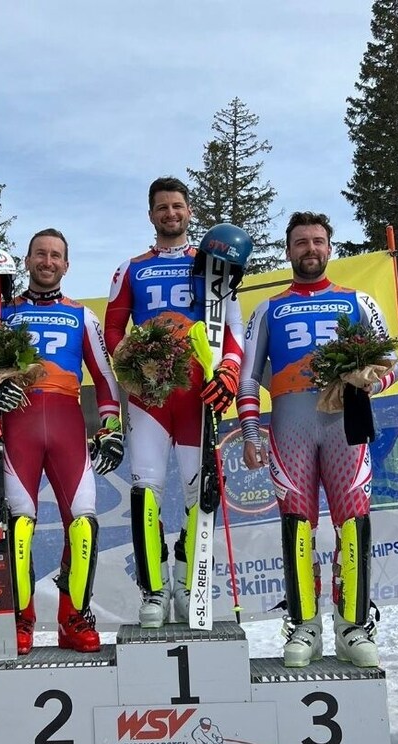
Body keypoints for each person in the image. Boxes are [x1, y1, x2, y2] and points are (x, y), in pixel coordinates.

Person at [237, 211, 398, 669]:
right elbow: (248, 379)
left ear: (330, 248)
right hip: (290, 425)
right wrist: (250, 433)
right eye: (302, 242)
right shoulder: (268, 308)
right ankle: (304, 624)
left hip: (345, 425)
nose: (311, 249)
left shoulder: (359, 301)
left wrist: (368, 382)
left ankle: (353, 624)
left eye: (319, 241)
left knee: (354, 521)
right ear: (288, 251)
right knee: (296, 524)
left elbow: (392, 364)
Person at [0, 230, 123, 655]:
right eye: (40, 254)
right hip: (19, 430)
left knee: (83, 524)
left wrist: (110, 429)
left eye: (56, 256)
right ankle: (23, 619)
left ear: (66, 265)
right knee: (21, 527)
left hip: (67, 429)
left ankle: (73, 618)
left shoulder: (83, 316)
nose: (48, 262)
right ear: (26, 261)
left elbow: (105, 378)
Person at [104, 176, 245, 627]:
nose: (170, 214)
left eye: (177, 206)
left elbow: (235, 332)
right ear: (151, 215)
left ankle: (188, 585)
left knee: (197, 495)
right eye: (162, 207)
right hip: (150, 397)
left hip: (197, 397)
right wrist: (132, 367)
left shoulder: (214, 263)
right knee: (146, 491)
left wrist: (228, 370)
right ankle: (153, 591)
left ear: (189, 211)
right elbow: (112, 332)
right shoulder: (130, 268)